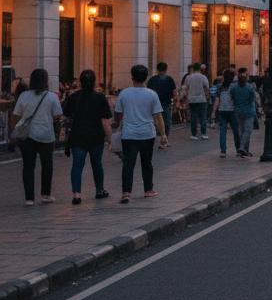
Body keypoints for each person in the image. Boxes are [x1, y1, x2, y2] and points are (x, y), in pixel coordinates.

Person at [113, 64, 167, 204]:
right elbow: (158, 116)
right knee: (146, 163)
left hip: (129, 134)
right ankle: (148, 190)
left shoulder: (124, 93)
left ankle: (126, 192)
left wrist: (119, 122)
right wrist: (163, 134)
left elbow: (118, 114)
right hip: (147, 134)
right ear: (146, 78)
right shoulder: (151, 94)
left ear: (132, 77)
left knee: (128, 164)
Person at [11, 68, 64, 205]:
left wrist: (14, 132)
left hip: (27, 135)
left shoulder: (24, 96)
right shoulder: (52, 96)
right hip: (47, 135)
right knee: (47, 165)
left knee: (28, 166)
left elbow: (16, 115)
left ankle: (29, 198)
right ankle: (45, 195)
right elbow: (58, 115)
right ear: (46, 81)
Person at [63, 69, 112, 203]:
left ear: (80, 82)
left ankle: (77, 194)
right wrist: (110, 139)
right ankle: (99, 190)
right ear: (94, 81)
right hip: (96, 136)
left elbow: (66, 113)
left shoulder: (74, 97)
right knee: (97, 164)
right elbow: (105, 121)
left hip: (77, 136)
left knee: (77, 165)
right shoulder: (100, 97)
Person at [146, 62, 176, 148]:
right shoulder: (169, 79)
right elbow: (174, 92)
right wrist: (175, 102)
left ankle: (155, 140)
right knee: (166, 122)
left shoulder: (152, 79)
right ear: (166, 69)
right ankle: (164, 140)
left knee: (154, 122)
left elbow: (148, 92)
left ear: (157, 69)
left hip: (154, 104)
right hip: (165, 104)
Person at [212, 68, 240, 157]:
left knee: (222, 132)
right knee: (236, 131)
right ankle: (238, 149)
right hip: (232, 111)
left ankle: (223, 151)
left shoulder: (220, 86)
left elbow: (217, 100)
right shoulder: (235, 87)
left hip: (222, 111)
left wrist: (213, 112)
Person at [230, 71, 258, 157]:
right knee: (248, 130)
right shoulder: (250, 88)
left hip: (238, 111)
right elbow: (253, 99)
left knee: (242, 130)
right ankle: (242, 148)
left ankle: (245, 150)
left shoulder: (234, 88)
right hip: (249, 111)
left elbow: (232, 97)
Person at [183, 62, 211, 140]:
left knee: (193, 117)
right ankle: (203, 134)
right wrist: (208, 97)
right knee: (203, 117)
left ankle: (194, 134)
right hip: (202, 99)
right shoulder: (203, 77)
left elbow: (185, 88)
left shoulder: (188, 77)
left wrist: (185, 98)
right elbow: (207, 88)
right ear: (200, 69)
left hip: (192, 99)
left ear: (193, 68)